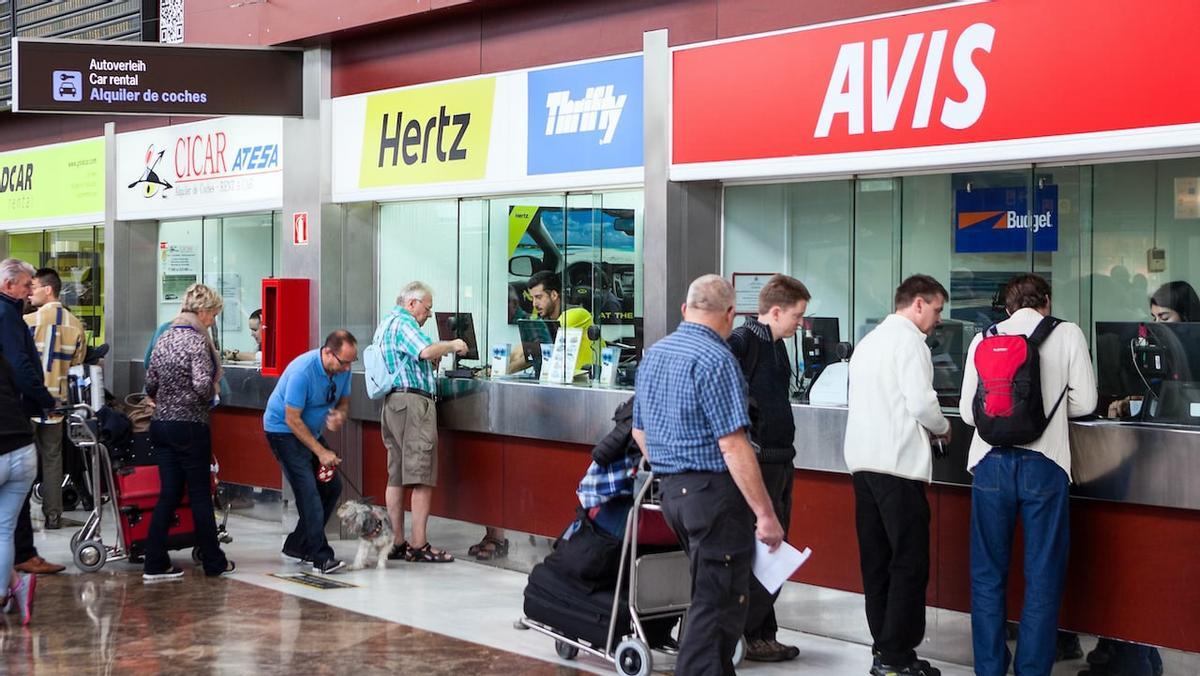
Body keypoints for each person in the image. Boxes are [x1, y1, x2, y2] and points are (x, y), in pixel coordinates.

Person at [632, 273, 784, 676]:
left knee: (712, 597)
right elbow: (733, 445)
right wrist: (766, 514)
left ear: (685, 309)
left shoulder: (655, 355)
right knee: (716, 606)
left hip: (673, 496)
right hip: (714, 496)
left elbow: (638, 430)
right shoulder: (718, 360)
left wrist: (672, 467)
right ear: (731, 314)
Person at [959, 274, 1097, 676]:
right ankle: (1032, 670)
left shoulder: (983, 337)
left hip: (989, 464)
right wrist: (1044, 416)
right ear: (1047, 302)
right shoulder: (1067, 333)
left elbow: (970, 413)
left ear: (1006, 306)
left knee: (987, 574)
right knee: (1042, 575)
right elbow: (1086, 402)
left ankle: (989, 668)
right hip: (1045, 464)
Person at [843, 274, 951, 676]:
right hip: (898, 467)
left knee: (876, 561)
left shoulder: (869, 342)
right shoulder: (909, 341)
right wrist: (943, 427)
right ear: (918, 303)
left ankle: (883, 651)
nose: (938, 319)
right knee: (909, 562)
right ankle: (897, 656)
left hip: (862, 465)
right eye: (937, 309)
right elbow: (922, 403)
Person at [727, 273, 810, 663]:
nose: (801, 324)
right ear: (775, 312)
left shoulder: (779, 346)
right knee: (759, 550)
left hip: (782, 460)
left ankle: (762, 631)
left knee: (774, 552)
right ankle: (746, 631)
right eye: (797, 316)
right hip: (758, 464)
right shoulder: (744, 342)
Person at [142, 283, 235, 580]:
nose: (213, 321)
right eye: (214, 315)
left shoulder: (165, 337)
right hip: (190, 426)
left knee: (168, 494)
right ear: (204, 311)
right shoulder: (196, 342)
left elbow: (151, 384)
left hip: (161, 425)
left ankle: (155, 562)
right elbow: (201, 385)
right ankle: (213, 561)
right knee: (199, 495)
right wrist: (210, 393)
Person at [377, 282, 465, 564]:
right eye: (427, 308)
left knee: (396, 475)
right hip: (413, 404)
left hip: (392, 404)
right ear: (412, 303)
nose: (428, 314)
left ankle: (396, 541)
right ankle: (418, 544)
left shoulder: (385, 323)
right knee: (421, 474)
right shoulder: (404, 324)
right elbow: (425, 351)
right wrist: (453, 345)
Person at [263, 330, 356, 575]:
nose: (347, 368)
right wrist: (322, 452)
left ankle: (297, 545)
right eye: (343, 362)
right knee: (308, 492)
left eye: (351, 362)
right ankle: (321, 557)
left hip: (310, 432)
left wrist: (340, 414)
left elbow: (344, 400)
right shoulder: (302, 372)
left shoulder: (342, 371)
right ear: (327, 352)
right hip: (283, 431)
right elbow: (292, 419)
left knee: (332, 487)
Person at [0, 259, 64, 577]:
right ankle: (22, 554)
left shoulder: (13, 314)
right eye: (26, 285)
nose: (29, 291)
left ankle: (22, 553)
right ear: (8, 285)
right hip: (12, 417)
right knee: (15, 501)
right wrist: (44, 398)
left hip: (13, 413)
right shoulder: (7, 316)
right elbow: (19, 365)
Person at [25, 267, 87, 530]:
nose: (30, 293)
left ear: (48, 289)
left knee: (21, 460)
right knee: (53, 459)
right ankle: (53, 515)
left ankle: (20, 517)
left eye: (34, 287)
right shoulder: (76, 326)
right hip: (57, 404)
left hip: (26, 403)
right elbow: (77, 365)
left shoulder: (28, 322)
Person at [0, 351, 40, 625]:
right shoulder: (3, 358)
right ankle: (12, 587)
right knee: (3, 530)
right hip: (24, 449)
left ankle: (10, 589)